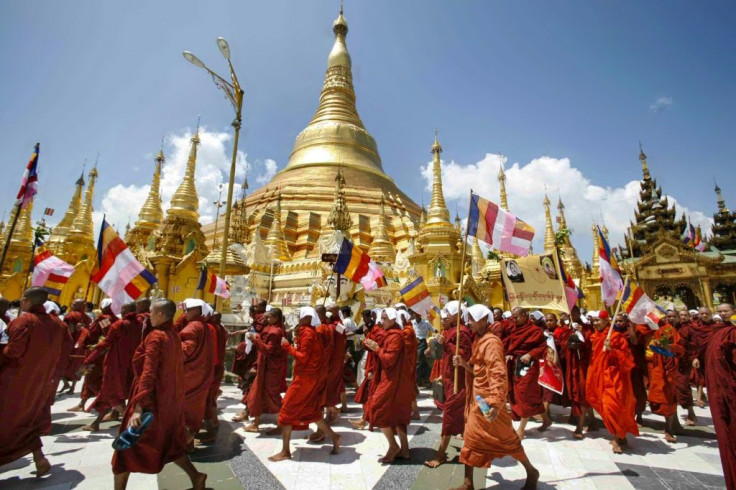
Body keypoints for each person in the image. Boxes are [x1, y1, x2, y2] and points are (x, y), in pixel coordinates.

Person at [111, 299, 205, 490]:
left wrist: (138, 408)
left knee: (126, 448)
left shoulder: (156, 337)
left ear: (161, 315)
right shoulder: (173, 336)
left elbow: (148, 373)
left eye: (152, 312)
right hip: (168, 401)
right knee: (169, 444)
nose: (149, 316)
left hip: (150, 402)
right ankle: (196, 477)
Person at [452, 304, 539, 490]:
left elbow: (497, 373)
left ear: (484, 320)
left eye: (472, 319)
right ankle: (468, 483)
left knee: (507, 440)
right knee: (471, 437)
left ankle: (531, 471)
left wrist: (495, 402)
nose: (469, 323)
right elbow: (479, 370)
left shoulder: (491, 342)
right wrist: (464, 365)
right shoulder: (479, 339)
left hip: (488, 401)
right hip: (478, 399)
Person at [0, 287, 67, 476]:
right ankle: (39, 458)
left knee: (9, 420)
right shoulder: (57, 324)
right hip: (41, 382)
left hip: (14, 381)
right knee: (27, 420)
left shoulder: (25, 321)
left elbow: (13, 351)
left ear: (27, 301)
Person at [269, 307, 341, 462]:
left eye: (299, 315)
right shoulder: (309, 332)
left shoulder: (308, 334)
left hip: (304, 380)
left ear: (306, 318)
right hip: (308, 377)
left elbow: (302, 357)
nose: (298, 317)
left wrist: (288, 347)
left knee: (287, 411)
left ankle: (286, 451)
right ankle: (335, 437)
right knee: (310, 411)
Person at [425, 300, 472, 468]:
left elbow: (462, 356)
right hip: (449, 378)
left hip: (458, 381)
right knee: (457, 414)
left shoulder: (462, 333)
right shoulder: (449, 331)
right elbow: (444, 356)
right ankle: (469, 443)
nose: (443, 318)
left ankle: (440, 454)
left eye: (447, 315)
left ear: (457, 316)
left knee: (449, 416)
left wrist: (447, 344)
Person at [83, 302, 142, 431]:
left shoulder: (112, 322)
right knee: (109, 393)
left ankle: (132, 422)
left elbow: (105, 341)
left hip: (115, 363)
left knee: (111, 393)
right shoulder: (139, 324)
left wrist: (89, 359)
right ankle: (96, 423)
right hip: (131, 363)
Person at [586, 311, 638, 454]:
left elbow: (627, 358)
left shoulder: (616, 337)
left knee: (613, 406)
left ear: (606, 320)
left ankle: (617, 438)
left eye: (598, 320)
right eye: (594, 321)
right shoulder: (594, 337)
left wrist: (612, 350)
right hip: (599, 375)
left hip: (615, 377)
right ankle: (619, 434)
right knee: (604, 406)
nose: (595, 323)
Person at [364, 308, 412, 463]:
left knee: (376, 408)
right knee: (395, 413)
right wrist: (374, 346)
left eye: (385, 318)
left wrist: (377, 349)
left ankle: (393, 445)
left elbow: (389, 359)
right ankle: (404, 450)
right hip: (390, 377)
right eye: (381, 318)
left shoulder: (396, 336)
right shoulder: (390, 334)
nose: (381, 321)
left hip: (393, 379)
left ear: (393, 319)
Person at [701, 303, 736, 490]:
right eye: (720, 311)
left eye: (726, 311)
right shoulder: (716, 332)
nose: (722, 314)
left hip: (729, 389)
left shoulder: (732, 333)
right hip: (718, 390)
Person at [505, 307, 552, 439]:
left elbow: (542, 347)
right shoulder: (514, 329)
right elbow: (511, 345)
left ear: (525, 315)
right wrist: (509, 354)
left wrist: (530, 354)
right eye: (513, 317)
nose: (515, 320)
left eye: (517, 317)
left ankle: (521, 429)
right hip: (516, 364)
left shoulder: (535, 330)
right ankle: (546, 420)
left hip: (529, 365)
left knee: (525, 394)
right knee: (528, 395)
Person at [244, 307, 287, 433]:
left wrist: (255, 339)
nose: (265, 319)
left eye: (269, 317)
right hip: (263, 366)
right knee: (257, 393)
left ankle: (281, 424)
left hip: (271, 369)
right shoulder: (269, 328)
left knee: (272, 396)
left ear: (276, 318)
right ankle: (255, 423)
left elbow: (268, 350)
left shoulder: (275, 332)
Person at [69, 299, 117, 412]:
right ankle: (82, 403)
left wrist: (83, 330)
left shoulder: (106, 319)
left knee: (92, 378)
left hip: (98, 354)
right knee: (87, 377)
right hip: (94, 351)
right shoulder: (106, 318)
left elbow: (106, 334)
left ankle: (108, 404)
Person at [179, 299, 215, 447]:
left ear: (196, 311)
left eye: (188, 310)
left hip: (189, 376)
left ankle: (184, 443)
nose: (185, 313)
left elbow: (185, 350)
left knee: (183, 409)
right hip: (201, 374)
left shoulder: (191, 328)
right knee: (194, 408)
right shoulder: (205, 327)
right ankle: (189, 445)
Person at [646, 317, 685, 442]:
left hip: (666, 368)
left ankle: (670, 428)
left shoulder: (668, 330)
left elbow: (679, 349)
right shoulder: (643, 328)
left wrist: (666, 346)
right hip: (650, 367)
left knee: (669, 397)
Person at [562, 306, 596, 439]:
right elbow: (563, 343)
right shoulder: (567, 329)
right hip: (572, 365)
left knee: (582, 393)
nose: (571, 314)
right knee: (580, 392)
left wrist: (582, 336)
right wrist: (568, 344)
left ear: (578, 313)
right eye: (569, 312)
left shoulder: (586, 328)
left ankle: (580, 427)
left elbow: (592, 343)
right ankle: (592, 421)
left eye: (573, 312)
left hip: (584, 365)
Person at [59, 299, 92, 394]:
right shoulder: (87, 318)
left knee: (63, 363)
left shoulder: (71, 315)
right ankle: (72, 387)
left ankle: (66, 383)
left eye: (75, 303)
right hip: (82, 345)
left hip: (70, 344)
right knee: (77, 366)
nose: (72, 304)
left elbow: (70, 330)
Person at [674, 309, 698, 426]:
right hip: (671, 361)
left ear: (689, 316)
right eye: (680, 315)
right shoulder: (673, 328)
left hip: (684, 361)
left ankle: (691, 412)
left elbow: (695, 344)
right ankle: (673, 420)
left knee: (683, 386)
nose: (682, 317)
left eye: (684, 315)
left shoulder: (691, 329)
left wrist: (694, 357)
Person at [690, 307, 715, 408]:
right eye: (702, 314)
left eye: (706, 313)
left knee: (713, 377)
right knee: (699, 376)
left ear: (710, 314)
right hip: (699, 354)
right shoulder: (694, 326)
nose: (704, 316)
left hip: (712, 355)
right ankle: (699, 398)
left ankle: (713, 397)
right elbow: (693, 342)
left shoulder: (716, 326)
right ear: (698, 315)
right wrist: (695, 356)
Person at [412, 310, 435, 387]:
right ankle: (423, 378)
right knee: (421, 361)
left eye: (418, 313)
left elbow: (433, 329)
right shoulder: (412, 323)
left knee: (419, 359)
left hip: (422, 342)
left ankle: (418, 378)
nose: (417, 315)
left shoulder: (426, 322)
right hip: (414, 342)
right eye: (415, 313)